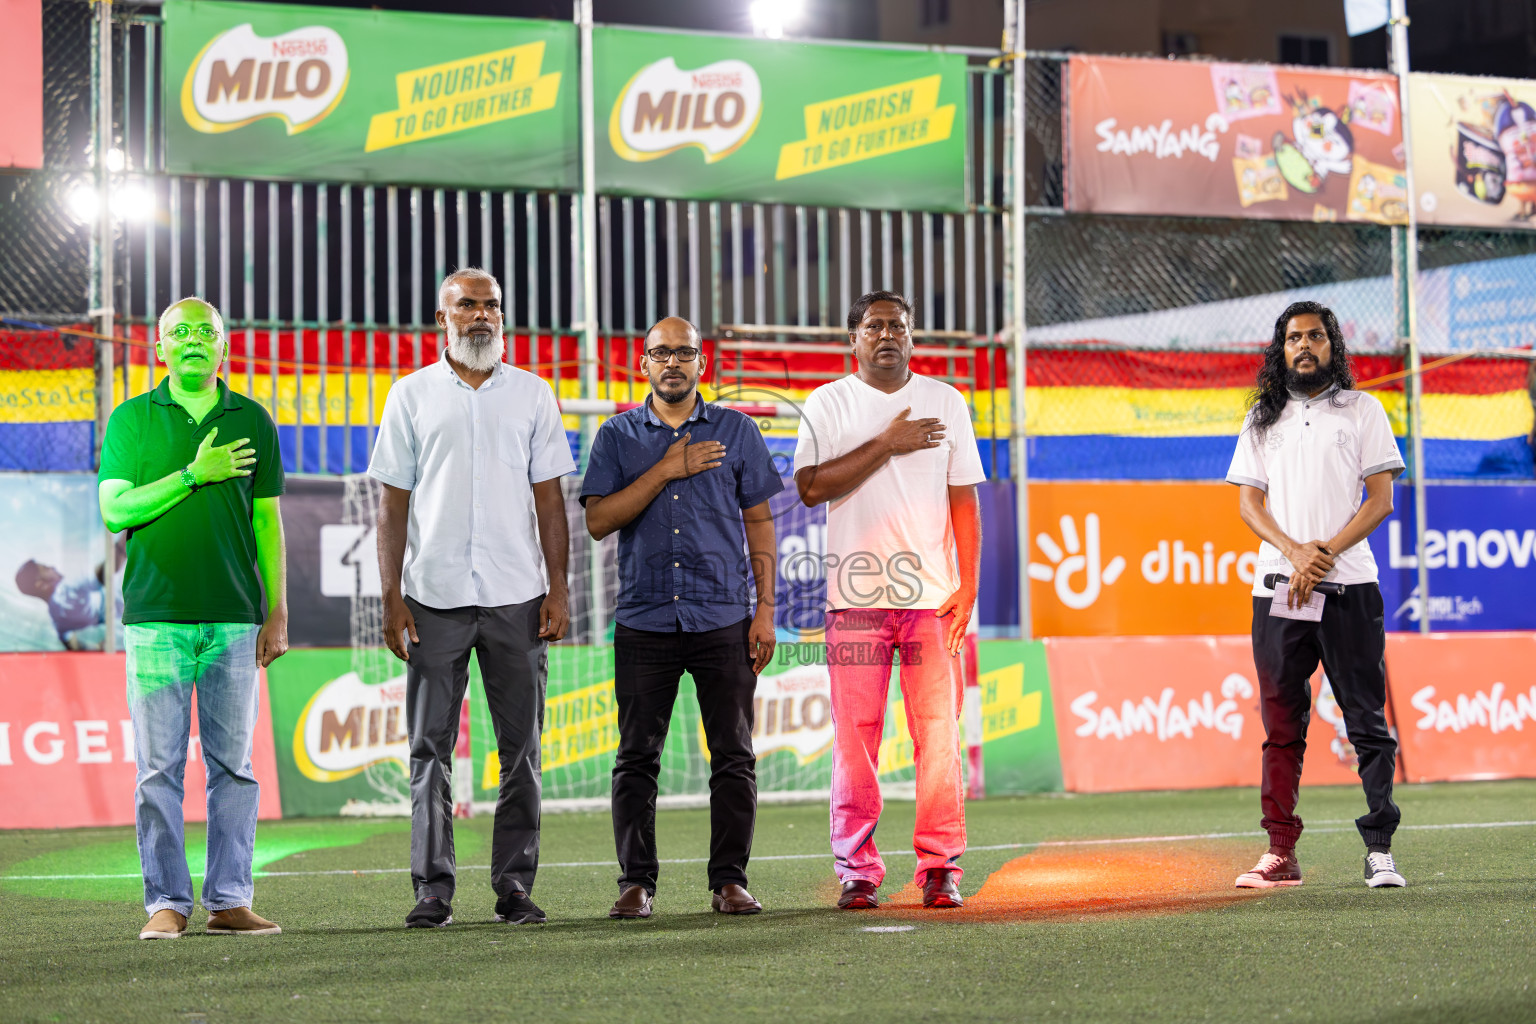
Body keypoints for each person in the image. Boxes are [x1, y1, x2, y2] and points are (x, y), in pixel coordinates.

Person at [369, 267, 574, 929]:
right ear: (442, 319)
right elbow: (392, 505)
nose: (481, 315)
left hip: (518, 595)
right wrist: (391, 598)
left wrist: (558, 588)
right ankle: (432, 891)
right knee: (429, 751)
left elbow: (551, 501)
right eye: (467, 305)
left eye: (491, 304)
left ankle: (515, 887)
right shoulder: (410, 396)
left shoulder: (535, 395)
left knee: (523, 751)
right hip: (432, 597)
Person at [98, 297, 288, 940]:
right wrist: (193, 474)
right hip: (155, 621)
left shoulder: (253, 419)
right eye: (178, 333)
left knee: (236, 767)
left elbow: (268, 522)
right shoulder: (131, 419)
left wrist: (277, 610)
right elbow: (116, 511)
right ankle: (167, 904)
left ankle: (229, 900)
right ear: (159, 349)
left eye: (205, 332)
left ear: (225, 346)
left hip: (236, 622)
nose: (192, 341)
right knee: (158, 770)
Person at [581, 316, 782, 919]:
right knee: (637, 755)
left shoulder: (737, 430)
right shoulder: (617, 436)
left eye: (684, 352)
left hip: (723, 616)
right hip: (644, 619)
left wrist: (766, 610)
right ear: (642, 364)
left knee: (733, 753)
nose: (673, 362)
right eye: (660, 353)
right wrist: (666, 469)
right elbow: (597, 521)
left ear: (702, 364)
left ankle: (729, 880)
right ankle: (636, 882)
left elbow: (760, 523)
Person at [793, 291, 984, 911]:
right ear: (853, 337)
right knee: (855, 740)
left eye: (897, 326)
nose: (886, 335)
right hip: (853, 602)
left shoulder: (946, 401)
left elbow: (964, 499)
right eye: (873, 326)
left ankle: (940, 866)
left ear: (912, 336)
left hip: (931, 600)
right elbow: (810, 488)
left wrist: (970, 583)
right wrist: (889, 442)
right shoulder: (828, 402)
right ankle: (858, 869)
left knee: (939, 738)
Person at [1226, 300, 1407, 890]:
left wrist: (1321, 552)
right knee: (1282, 726)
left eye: (1316, 336)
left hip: (1349, 586)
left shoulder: (1363, 410)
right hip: (1277, 589)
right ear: (1281, 349)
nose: (1305, 346)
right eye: (1294, 338)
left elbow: (1378, 500)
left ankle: (1380, 849)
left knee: (1366, 722)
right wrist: (1293, 551)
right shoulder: (1261, 420)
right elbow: (1248, 504)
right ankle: (1280, 852)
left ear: (1334, 346)